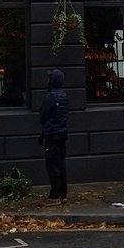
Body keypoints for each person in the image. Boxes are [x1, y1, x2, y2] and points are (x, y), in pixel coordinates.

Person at [39, 68, 69, 202]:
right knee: (60, 163)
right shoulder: (64, 95)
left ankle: (55, 194)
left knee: (51, 164)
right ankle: (63, 193)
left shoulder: (49, 96)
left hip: (51, 133)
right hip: (62, 132)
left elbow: (43, 115)